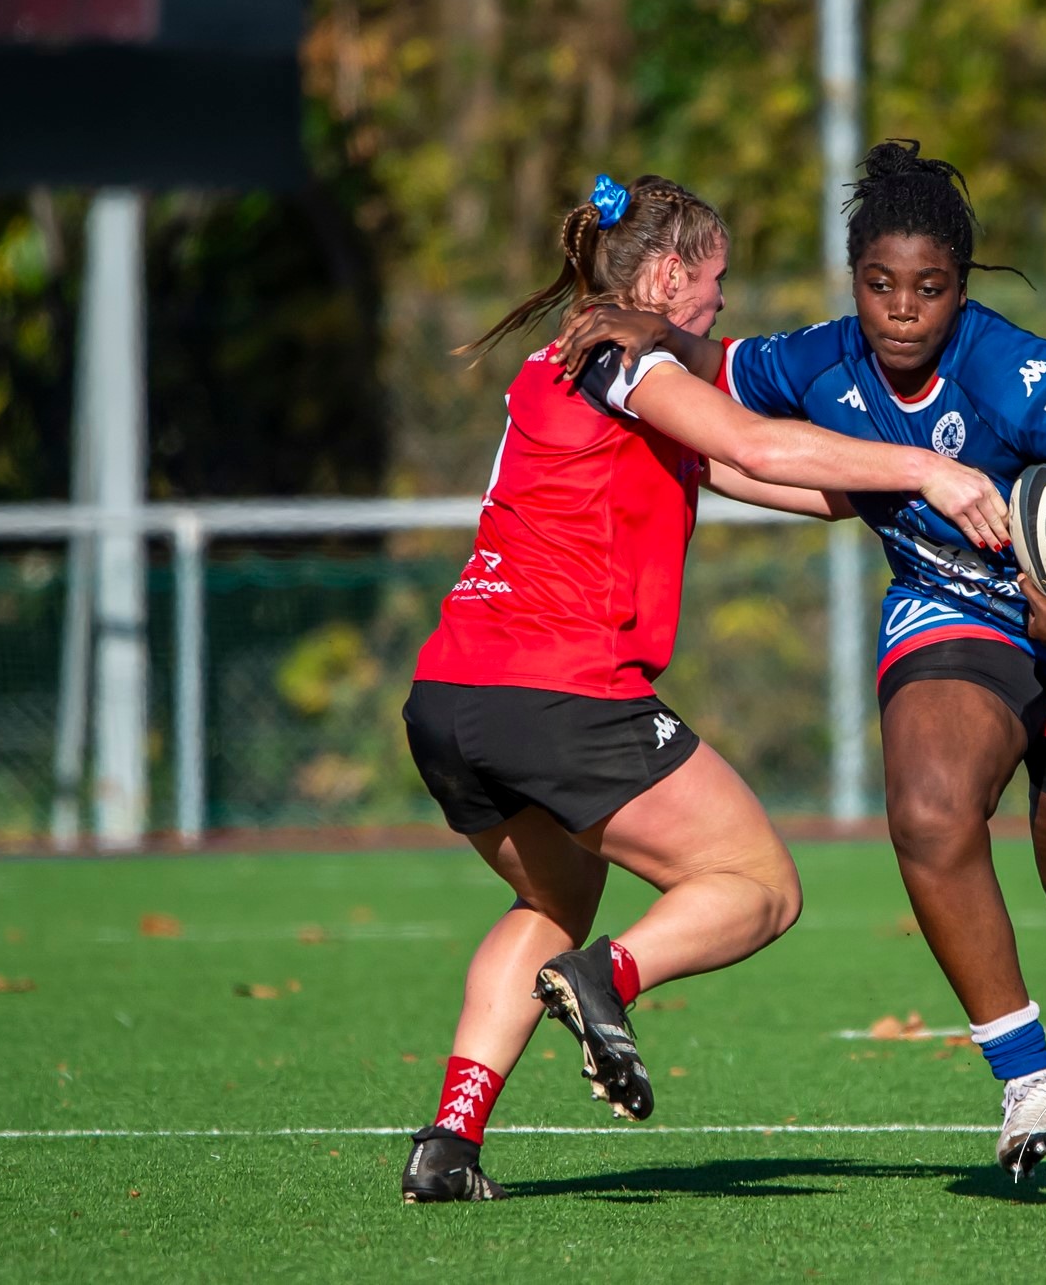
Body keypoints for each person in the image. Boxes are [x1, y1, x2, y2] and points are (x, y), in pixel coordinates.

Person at [553, 140, 1046, 1200]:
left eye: (929, 288)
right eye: (878, 284)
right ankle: (1024, 1082)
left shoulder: (1013, 375)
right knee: (928, 812)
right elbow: (720, 372)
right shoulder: (822, 360)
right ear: (853, 279)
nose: (901, 310)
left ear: (961, 285)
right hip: (957, 608)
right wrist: (652, 330)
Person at [399, 171, 1013, 1203]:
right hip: (561, 691)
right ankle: (607, 978)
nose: (722, 301)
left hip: (452, 696)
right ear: (667, 275)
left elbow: (779, 480)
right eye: (715, 278)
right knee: (758, 887)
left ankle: (450, 1141)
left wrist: (937, 467)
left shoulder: (561, 368)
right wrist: (927, 472)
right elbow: (753, 440)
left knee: (552, 899)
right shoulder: (626, 360)